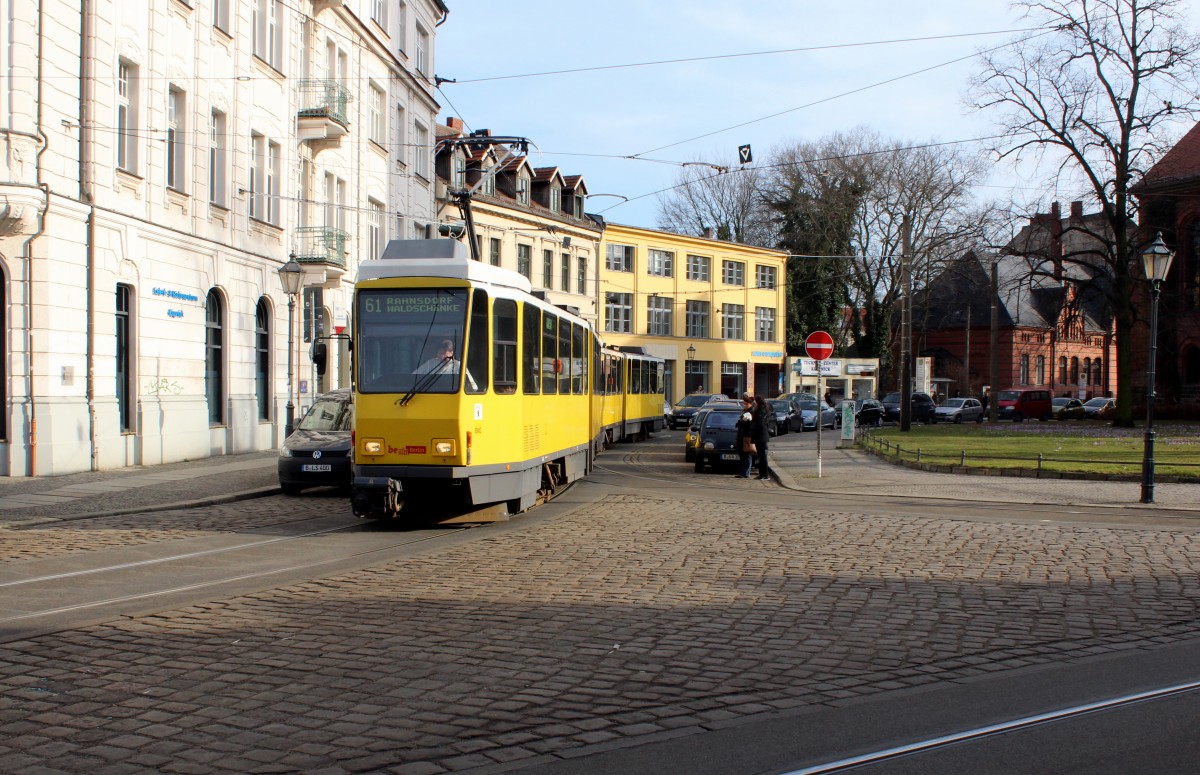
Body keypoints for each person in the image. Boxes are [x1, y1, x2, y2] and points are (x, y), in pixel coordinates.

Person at [734, 396, 755, 479]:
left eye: (746, 404)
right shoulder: (745, 411)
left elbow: (750, 425)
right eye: (744, 404)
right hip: (742, 435)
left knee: (747, 454)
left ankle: (746, 473)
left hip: (747, 436)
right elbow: (740, 422)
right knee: (742, 455)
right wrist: (740, 423)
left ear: (750, 404)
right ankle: (742, 472)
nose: (744, 405)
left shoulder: (751, 411)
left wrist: (743, 422)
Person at [751, 395, 771, 480]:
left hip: (761, 437)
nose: (754, 403)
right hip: (759, 436)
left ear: (758, 402)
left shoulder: (761, 411)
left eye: (755, 401)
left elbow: (760, 424)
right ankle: (761, 474)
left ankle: (765, 475)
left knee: (763, 456)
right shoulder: (760, 409)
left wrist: (754, 429)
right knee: (761, 456)